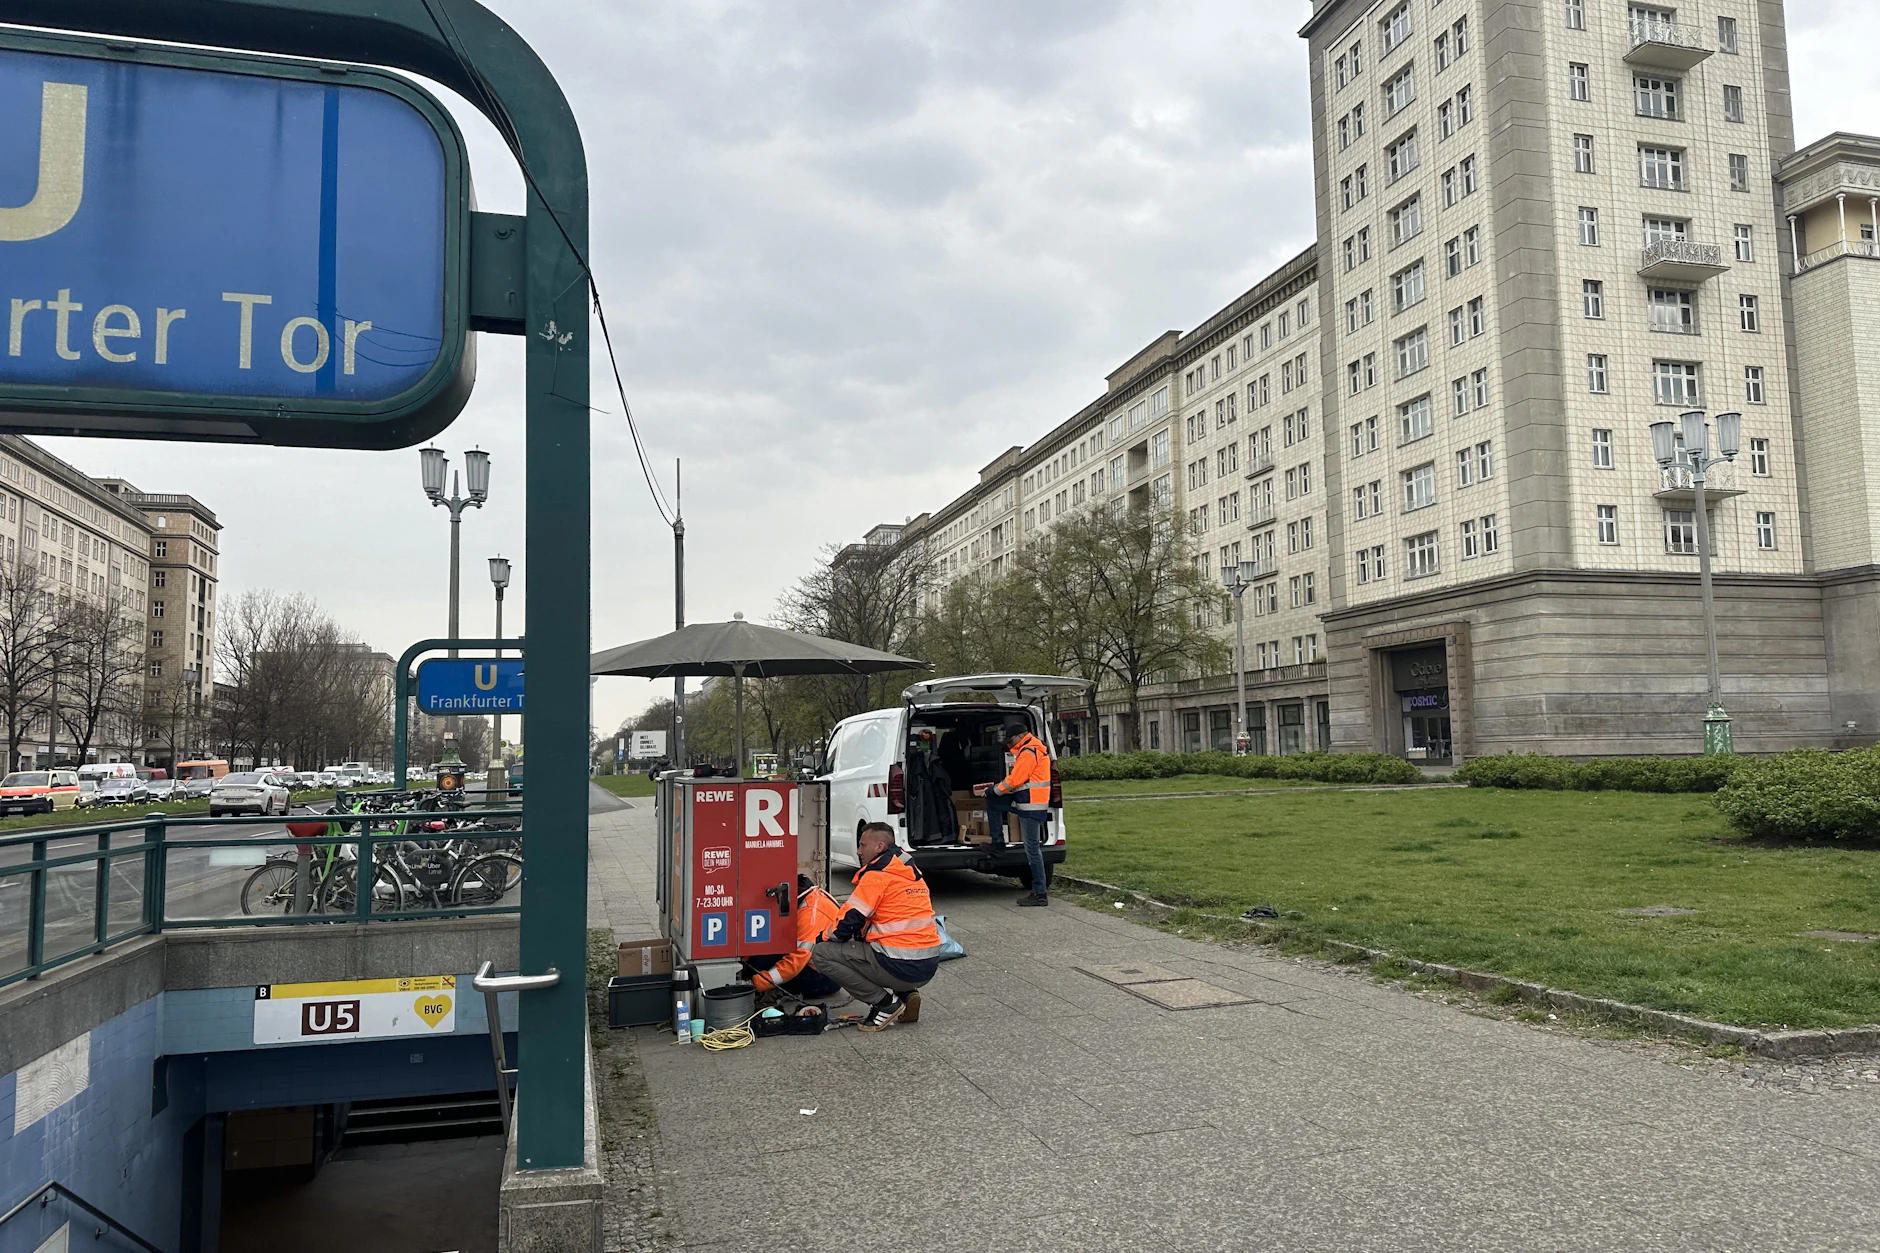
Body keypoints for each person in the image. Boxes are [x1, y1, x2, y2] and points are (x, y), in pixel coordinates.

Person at [811, 823, 940, 1031]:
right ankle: (905, 993)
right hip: (928, 966)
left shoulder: (877, 876)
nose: (858, 851)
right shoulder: (910, 872)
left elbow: (846, 924)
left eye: (863, 845)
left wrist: (821, 938)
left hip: (899, 965)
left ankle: (885, 1004)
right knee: (869, 943)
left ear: (880, 847)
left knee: (822, 953)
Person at [740, 874, 845, 1005]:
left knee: (766, 966)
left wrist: (755, 984)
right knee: (760, 960)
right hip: (822, 969)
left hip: (825, 978)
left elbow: (796, 961)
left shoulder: (810, 914)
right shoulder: (808, 897)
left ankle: (772, 990)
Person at [981, 718, 1052, 906]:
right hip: (1028, 801)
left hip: (1030, 805)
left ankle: (1040, 893)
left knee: (1032, 850)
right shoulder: (1033, 749)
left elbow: (1015, 780)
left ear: (1021, 736)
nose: (1010, 745)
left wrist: (994, 789)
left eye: (1011, 740)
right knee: (993, 802)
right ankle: (998, 843)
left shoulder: (1028, 752)